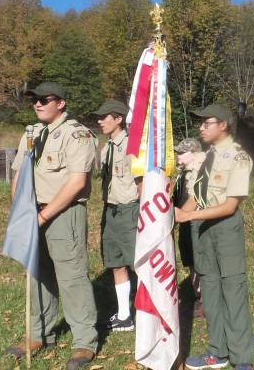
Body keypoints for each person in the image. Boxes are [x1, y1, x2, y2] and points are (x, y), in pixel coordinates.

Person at [4, 82, 98, 370]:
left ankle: (84, 342)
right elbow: (19, 174)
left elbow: (76, 183)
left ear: (62, 103)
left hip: (63, 213)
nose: (38, 104)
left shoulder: (77, 134)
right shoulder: (31, 133)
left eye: (45, 99)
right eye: (35, 100)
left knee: (72, 277)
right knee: (37, 273)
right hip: (33, 213)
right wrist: (20, 213)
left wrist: (43, 217)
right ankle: (39, 335)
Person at [175, 104, 254, 370]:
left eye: (206, 123)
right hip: (203, 229)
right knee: (209, 291)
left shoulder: (238, 157)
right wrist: (175, 214)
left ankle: (242, 357)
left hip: (225, 228)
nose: (201, 127)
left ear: (223, 125)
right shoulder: (207, 156)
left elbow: (230, 206)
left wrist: (189, 217)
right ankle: (216, 351)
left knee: (233, 291)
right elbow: (197, 197)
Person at [94, 99, 140, 332]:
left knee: (138, 264)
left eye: (105, 116)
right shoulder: (107, 147)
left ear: (119, 119)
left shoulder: (133, 145)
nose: (100, 120)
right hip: (110, 211)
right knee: (115, 263)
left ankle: (148, 313)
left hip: (130, 210)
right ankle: (124, 315)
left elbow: (141, 181)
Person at [172, 137, 206, 318]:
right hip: (184, 220)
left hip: (195, 218)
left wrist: (181, 215)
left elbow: (197, 197)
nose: (178, 155)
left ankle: (205, 300)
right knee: (190, 260)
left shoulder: (200, 169)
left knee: (199, 259)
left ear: (193, 153)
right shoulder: (182, 172)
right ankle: (197, 296)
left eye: (182, 152)